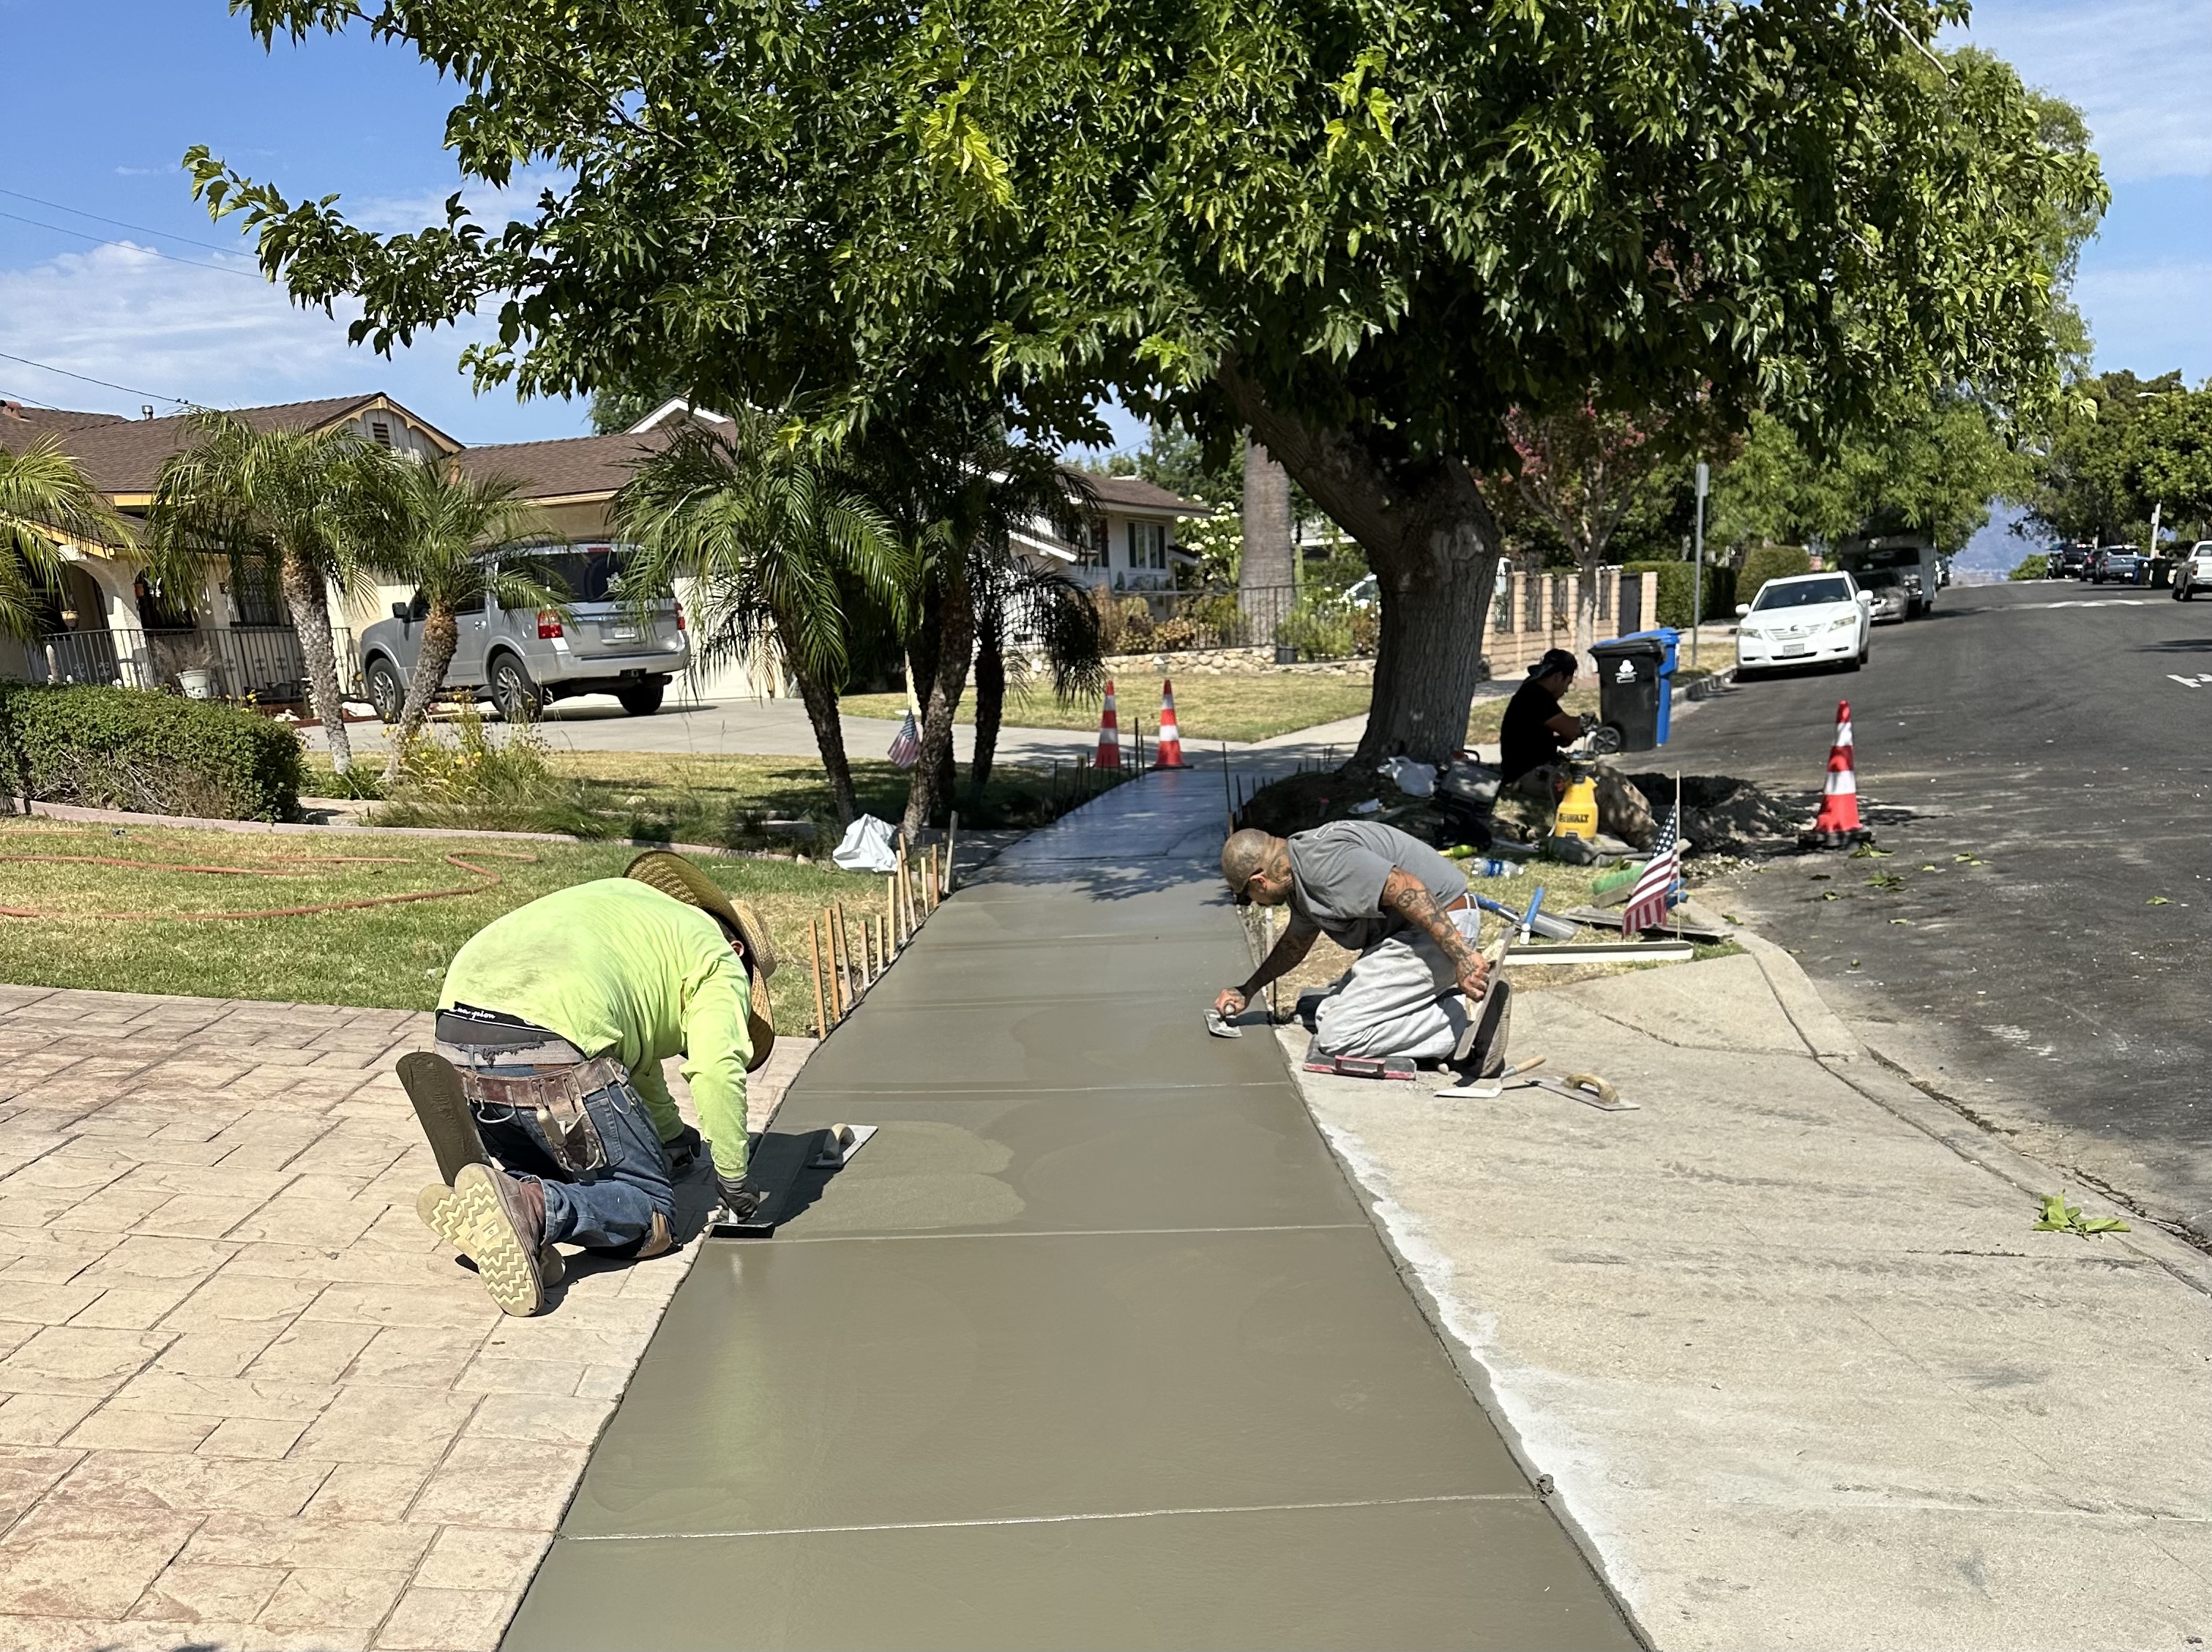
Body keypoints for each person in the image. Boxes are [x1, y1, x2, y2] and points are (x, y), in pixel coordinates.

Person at [405, 851, 777, 1316]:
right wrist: (734, 1176)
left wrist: (670, 1137)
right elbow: (717, 1068)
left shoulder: (631, 909)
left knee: (571, 1169)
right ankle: (532, 1206)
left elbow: (636, 1060)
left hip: (457, 1039)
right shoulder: (719, 960)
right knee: (652, 1212)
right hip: (552, 1052)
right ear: (739, 949)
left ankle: (508, 1202)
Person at [1214, 822, 1499, 1064]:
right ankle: (1435, 1003)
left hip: (1442, 927)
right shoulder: (1298, 870)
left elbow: (1405, 887)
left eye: (1246, 897)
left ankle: (1467, 1025)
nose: (1253, 903)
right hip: (1412, 935)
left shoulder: (1322, 863)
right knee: (1326, 1013)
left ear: (1260, 882)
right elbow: (1295, 944)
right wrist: (1248, 989)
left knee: (1338, 1036)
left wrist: (1462, 957)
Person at [1497, 648, 1656, 849]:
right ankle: (1650, 842)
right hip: (1525, 774)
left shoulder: (1536, 694)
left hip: (1540, 764)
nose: (1566, 690)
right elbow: (1571, 728)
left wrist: (1563, 737)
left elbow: (1556, 734)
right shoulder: (1536, 696)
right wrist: (1584, 723)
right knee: (1602, 787)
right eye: (1568, 682)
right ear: (1558, 677)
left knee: (1613, 775)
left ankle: (1648, 823)